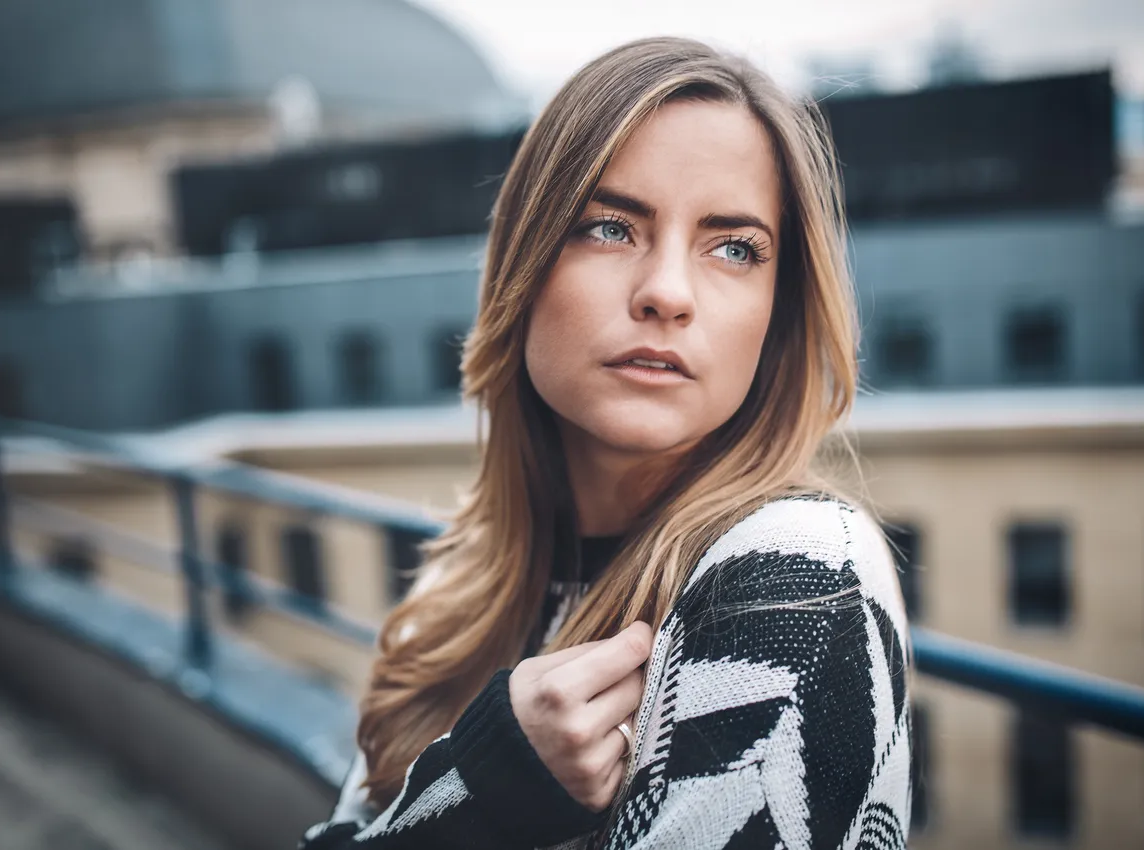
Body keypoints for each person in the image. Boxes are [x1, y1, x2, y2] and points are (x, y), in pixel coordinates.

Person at [301, 36, 911, 850]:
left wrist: (475, 803)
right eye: (609, 227)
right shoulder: (455, 588)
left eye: (734, 248)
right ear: (523, 263)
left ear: (779, 312)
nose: (666, 291)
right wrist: (483, 788)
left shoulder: (801, 576)